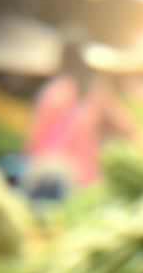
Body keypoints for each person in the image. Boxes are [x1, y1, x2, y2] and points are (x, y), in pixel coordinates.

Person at [23, 42, 135, 198]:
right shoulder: (97, 91)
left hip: (43, 168)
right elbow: (128, 129)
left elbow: (35, 136)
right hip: (81, 177)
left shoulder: (53, 90)